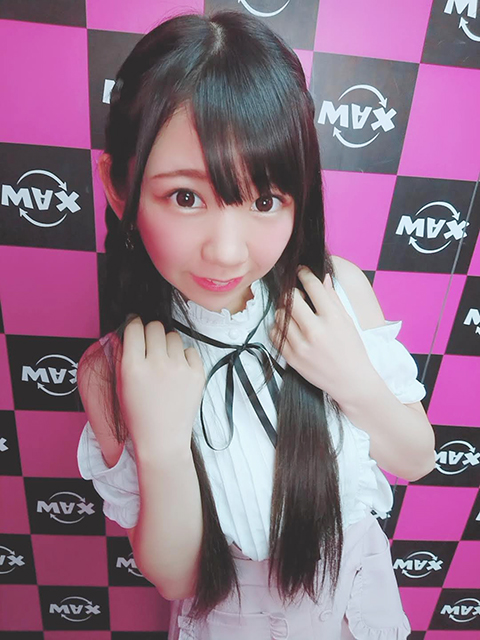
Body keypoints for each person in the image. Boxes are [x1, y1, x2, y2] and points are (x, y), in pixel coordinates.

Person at [76, 9, 436, 639]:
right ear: (119, 186)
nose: (226, 252)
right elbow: (177, 581)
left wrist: (352, 379)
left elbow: (418, 458)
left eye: (265, 200)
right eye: (185, 197)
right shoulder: (114, 370)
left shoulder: (337, 294)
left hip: (359, 614)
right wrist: (161, 446)